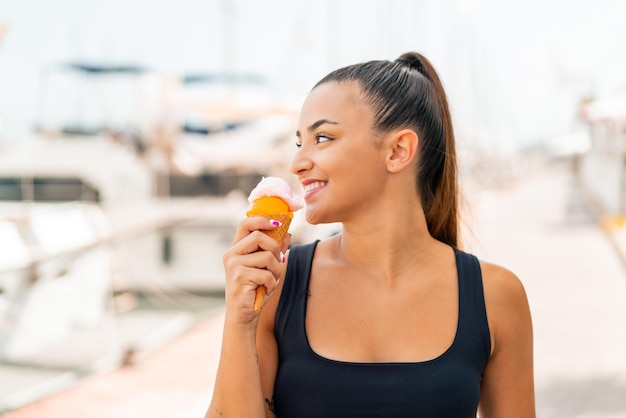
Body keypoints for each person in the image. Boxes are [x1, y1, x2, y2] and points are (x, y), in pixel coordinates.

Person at [207, 52, 535, 417]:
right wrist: (239, 320)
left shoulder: (497, 297)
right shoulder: (278, 284)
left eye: (323, 137)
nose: (297, 163)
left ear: (398, 151)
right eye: (301, 142)